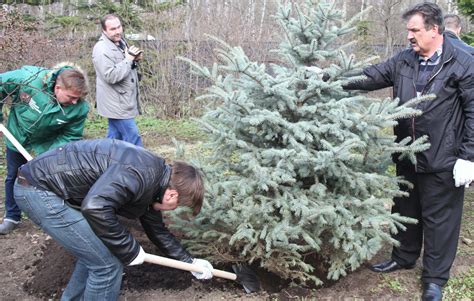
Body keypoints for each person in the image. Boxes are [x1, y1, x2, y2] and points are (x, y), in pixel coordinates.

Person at [343, 2, 474, 300]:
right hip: (406, 153)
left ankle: (434, 280)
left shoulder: (462, 63)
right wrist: (330, 78)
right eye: (408, 31)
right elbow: (370, 76)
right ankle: (403, 257)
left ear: (434, 30)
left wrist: (468, 157)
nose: (410, 37)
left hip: (444, 157)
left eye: (415, 30)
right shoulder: (404, 60)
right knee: (405, 208)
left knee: (440, 220)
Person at [14, 138, 213, 300]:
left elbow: (157, 230)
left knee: (97, 253)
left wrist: (191, 262)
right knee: (107, 265)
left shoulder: (155, 179)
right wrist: (130, 250)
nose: (172, 210)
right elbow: (95, 207)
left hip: (46, 187)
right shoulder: (139, 175)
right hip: (38, 191)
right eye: (176, 206)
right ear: (172, 196)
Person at [0, 63, 90, 234]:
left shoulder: (79, 108)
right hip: (18, 135)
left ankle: (53, 214)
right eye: (71, 97)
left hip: (46, 145)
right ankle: (12, 216)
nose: (74, 102)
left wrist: (46, 156)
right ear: (58, 87)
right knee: (13, 175)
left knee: (51, 180)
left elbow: (70, 136)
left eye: (78, 98)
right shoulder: (28, 80)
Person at [92, 14, 144, 147]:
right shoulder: (102, 49)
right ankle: (141, 166)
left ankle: (106, 162)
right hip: (116, 104)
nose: (118, 31)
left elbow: (124, 67)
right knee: (133, 139)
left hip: (122, 101)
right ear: (104, 30)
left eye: (119, 27)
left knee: (114, 140)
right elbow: (111, 76)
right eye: (113, 29)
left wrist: (134, 60)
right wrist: (129, 59)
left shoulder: (120, 42)